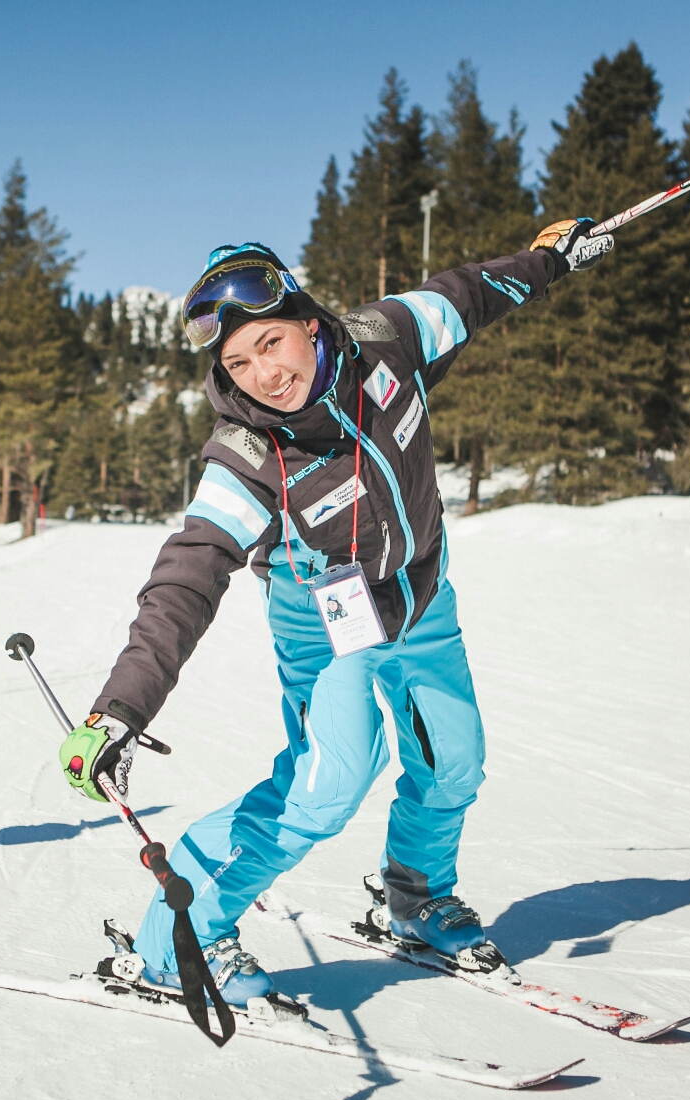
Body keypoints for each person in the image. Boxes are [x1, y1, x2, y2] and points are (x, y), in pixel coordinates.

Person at [59, 221, 613, 1003]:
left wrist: (552, 256)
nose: (263, 374)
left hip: (419, 594)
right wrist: (120, 710)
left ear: (311, 325)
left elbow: (479, 291)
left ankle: (416, 898)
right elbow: (186, 576)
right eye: (238, 362)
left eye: (272, 344)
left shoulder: (390, 336)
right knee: (327, 782)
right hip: (321, 622)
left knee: (454, 758)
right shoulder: (247, 455)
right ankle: (179, 938)